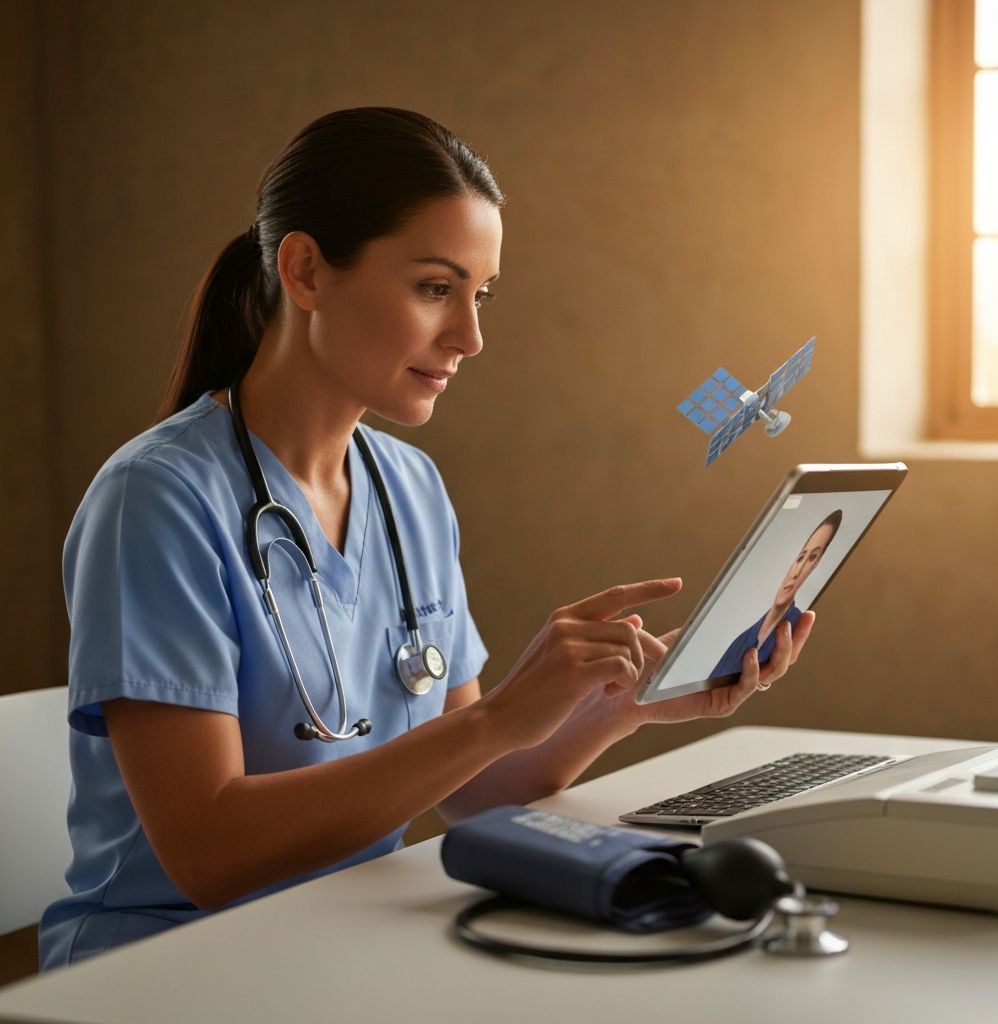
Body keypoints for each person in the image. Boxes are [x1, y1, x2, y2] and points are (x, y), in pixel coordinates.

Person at [39, 108, 815, 969]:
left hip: (346, 945)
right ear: (305, 271)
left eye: (480, 296)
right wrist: (498, 718)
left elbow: (473, 792)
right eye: (436, 289)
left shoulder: (409, 487)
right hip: (164, 967)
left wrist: (624, 704)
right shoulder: (157, 500)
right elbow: (210, 855)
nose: (470, 338)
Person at [708, 511, 841, 684]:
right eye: (801, 557)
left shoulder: (791, 624)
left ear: (816, 565)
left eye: (812, 558)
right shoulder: (743, 637)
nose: (797, 571)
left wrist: (759, 682)